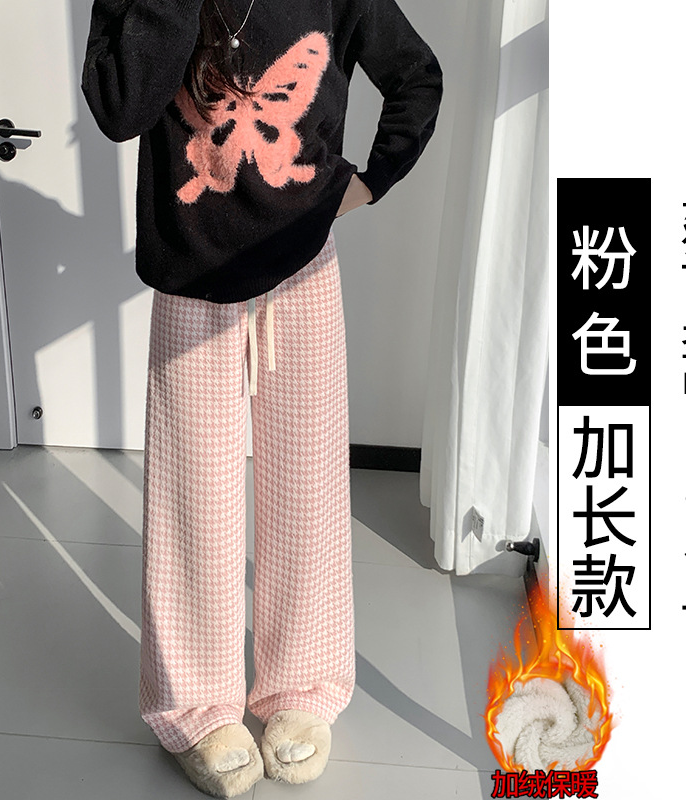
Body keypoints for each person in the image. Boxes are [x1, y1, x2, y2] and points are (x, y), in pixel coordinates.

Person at [81, 0, 442, 796]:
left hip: (300, 266)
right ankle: (195, 705)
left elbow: (416, 74)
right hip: (191, 276)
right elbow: (118, 109)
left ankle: (302, 688)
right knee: (193, 499)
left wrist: (369, 183)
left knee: (306, 490)